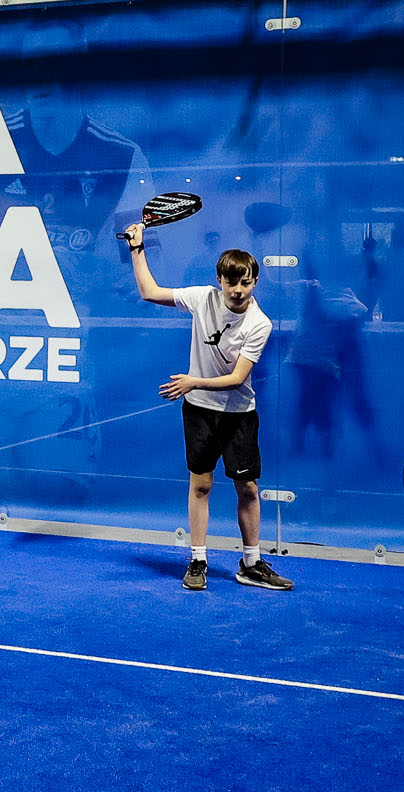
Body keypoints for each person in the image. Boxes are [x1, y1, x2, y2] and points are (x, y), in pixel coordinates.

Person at [123, 223, 291, 592]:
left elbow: (236, 377)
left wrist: (192, 380)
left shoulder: (259, 324)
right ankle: (198, 560)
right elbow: (149, 292)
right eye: (231, 282)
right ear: (219, 281)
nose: (237, 290)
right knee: (200, 485)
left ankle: (251, 563)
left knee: (247, 488)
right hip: (199, 411)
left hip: (238, 414)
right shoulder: (203, 298)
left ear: (255, 283)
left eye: (245, 282)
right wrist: (138, 247)